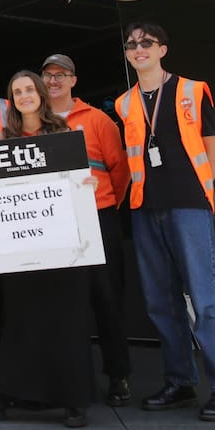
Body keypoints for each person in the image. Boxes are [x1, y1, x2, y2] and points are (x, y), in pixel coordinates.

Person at [116, 21, 215, 421]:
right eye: (132, 44)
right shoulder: (124, 103)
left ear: (162, 50)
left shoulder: (191, 89)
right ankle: (180, 382)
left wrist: (199, 191)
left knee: (205, 300)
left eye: (147, 43)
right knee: (160, 302)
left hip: (187, 206)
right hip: (145, 207)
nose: (139, 49)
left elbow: (213, 148)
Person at [0, 71, 96, 428]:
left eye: (29, 89)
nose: (24, 96)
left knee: (65, 319)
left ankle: (73, 398)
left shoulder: (64, 134)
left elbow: (82, 180)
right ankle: (2, 394)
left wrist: (87, 183)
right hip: (19, 246)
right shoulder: (3, 139)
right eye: (17, 91)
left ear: (40, 94)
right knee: (19, 321)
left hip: (64, 245)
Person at [40, 53, 132, 406]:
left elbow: (119, 171)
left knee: (107, 299)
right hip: (53, 224)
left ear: (74, 80)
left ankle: (118, 375)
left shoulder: (97, 120)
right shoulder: (36, 122)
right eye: (48, 75)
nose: (54, 81)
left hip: (98, 218)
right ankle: (72, 379)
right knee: (64, 304)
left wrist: (104, 201)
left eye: (62, 74)